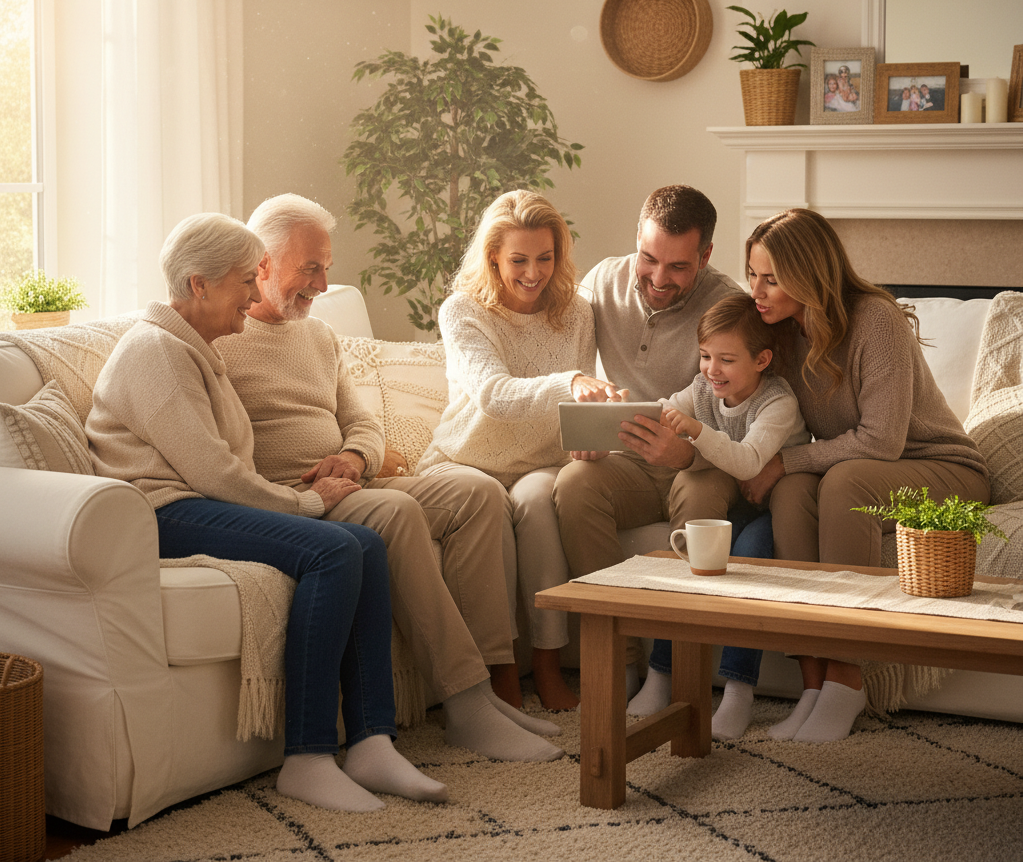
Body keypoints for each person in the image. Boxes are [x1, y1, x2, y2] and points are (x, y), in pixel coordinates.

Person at [87, 213, 446, 812]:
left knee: (365, 542)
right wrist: (306, 502)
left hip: (197, 503)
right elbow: (216, 473)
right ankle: (307, 757)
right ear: (199, 284)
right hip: (163, 513)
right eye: (244, 281)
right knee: (335, 549)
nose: (255, 295)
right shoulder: (157, 352)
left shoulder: (192, 346)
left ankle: (371, 741)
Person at [217, 194, 563, 763]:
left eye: (326, 268)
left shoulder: (318, 335)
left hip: (354, 482)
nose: (323, 285)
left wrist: (356, 457)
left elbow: (363, 424)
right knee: (398, 512)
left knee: (477, 492)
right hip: (298, 496)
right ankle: (467, 705)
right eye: (311, 269)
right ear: (262, 263)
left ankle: (494, 683)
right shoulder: (221, 338)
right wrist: (306, 488)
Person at [742, 208, 990, 742]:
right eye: (753, 275)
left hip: (946, 468)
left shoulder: (875, 318)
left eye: (772, 279)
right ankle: (814, 683)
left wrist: (786, 461)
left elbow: (882, 441)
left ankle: (847, 678)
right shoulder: (781, 332)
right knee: (791, 493)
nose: (757, 292)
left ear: (809, 275)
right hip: (865, 468)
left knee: (842, 482)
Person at [416, 189, 620, 710]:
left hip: (540, 463)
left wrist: (591, 439)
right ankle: (501, 669)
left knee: (536, 502)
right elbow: (495, 395)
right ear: (493, 258)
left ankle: (547, 664)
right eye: (519, 260)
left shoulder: (577, 312)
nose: (534, 273)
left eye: (545, 258)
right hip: (464, 461)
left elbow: (575, 408)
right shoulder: (463, 311)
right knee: (486, 497)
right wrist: (572, 380)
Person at [552, 185, 744, 689]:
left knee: (700, 499)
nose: (659, 279)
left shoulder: (730, 305)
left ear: (705, 256)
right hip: (630, 464)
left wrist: (687, 453)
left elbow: (744, 420)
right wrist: (588, 424)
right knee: (574, 483)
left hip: (702, 464)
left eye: (678, 267)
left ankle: (676, 675)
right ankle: (619, 664)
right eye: (649, 258)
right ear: (637, 238)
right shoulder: (602, 281)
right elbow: (565, 362)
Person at [626, 293, 810, 739]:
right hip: (732, 503)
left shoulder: (777, 402)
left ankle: (738, 690)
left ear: (762, 360)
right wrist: (645, 417)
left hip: (775, 504)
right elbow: (668, 407)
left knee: (749, 552)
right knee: (697, 553)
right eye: (706, 355)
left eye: (726, 360)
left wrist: (694, 430)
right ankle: (662, 672)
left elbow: (748, 462)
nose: (712, 370)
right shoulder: (703, 388)